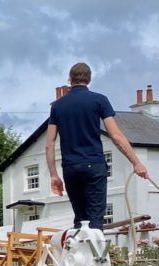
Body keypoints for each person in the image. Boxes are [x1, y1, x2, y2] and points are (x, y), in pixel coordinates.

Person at [46, 62, 148, 230]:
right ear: (89, 79)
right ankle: (96, 255)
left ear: (70, 80)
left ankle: (80, 254)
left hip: (70, 167)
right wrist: (136, 162)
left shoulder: (58, 106)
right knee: (95, 220)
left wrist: (53, 175)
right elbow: (116, 135)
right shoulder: (99, 100)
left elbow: (49, 144)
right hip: (94, 165)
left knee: (80, 219)